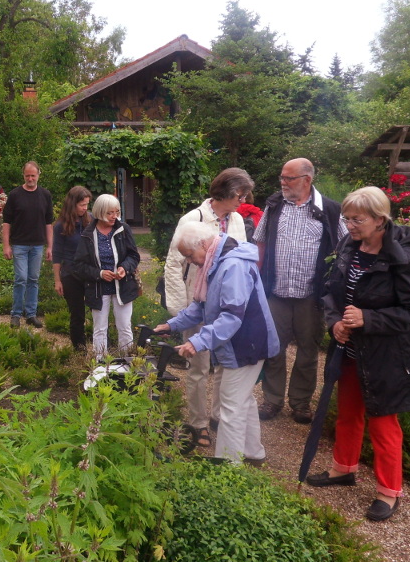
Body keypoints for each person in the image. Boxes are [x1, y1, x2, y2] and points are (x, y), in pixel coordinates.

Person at [306, 186, 410, 522]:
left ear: (380, 220)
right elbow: (332, 292)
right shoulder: (350, 246)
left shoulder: (403, 259)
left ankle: (389, 492)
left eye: (357, 219)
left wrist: (369, 318)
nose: (349, 224)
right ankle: (342, 469)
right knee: (348, 413)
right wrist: (335, 322)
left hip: (387, 356)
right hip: (349, 350)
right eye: (346, 218)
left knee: (383, 422)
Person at [155, 222, 279, 464]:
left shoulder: (232, 265)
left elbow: (232, 315)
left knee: (230, 405)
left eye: (189, 255)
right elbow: (202, 306)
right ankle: (253, 453)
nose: (189, 261)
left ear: (203, 244)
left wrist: (198, 341)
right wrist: (172, 324)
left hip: (248, 344)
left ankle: (227, 467)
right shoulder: (215, 261)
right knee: (242, 399)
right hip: (241, 342)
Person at [163, 168, 253, 448]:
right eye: (240, 194)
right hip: (197, 302)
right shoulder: (193, 219)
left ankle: (218, 415)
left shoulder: (237, 219)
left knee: (224, 361)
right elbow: (173, 263)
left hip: (227, 305)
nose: (244, 199)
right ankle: (198, 421)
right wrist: (179, 310)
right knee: (198, 365)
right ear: (225, 193)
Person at [254, 158, 346, 424]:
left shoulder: (329, 210)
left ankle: (300, 403)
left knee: (308, 350)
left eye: (288, 178)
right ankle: (272, 400)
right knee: (274, 348)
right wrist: (257, 282)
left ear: (307, 179)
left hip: (311, 295)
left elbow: (343, 248)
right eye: (281, 177)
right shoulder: (273, 206)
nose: (283, 183)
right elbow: (259, 244)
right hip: (276, 291)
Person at [73, 194, 140, 362]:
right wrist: (100, 273)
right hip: (98, 288)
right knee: (100, 329)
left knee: (124, 327)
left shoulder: (123, 229)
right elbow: (79, 265)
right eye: (110, 213)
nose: (114, 216)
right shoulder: (88, 234)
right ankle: (100, 366)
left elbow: (134, 255)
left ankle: (128, 363)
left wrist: (125, 267)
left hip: (122, 286)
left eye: (117, 212)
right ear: (100, 212)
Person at [2, 161, 54, 329]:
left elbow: (48, 223)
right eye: (27, 175)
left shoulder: (45, 195)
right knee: (21, 279)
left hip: (38, 245)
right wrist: (6, 245)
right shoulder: (15, 195)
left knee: (33, 279)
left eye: (33, 175)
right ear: (23, 175)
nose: (30, 178)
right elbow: (6, 222)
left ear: (39, 175)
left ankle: (31, 314)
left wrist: (50, 246)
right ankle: (16, 314)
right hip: (19, 244)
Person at [52, 186, 93, 352]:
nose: (85, 208)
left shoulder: (90, 221)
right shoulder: (61, 226)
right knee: (77, 315)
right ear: (72, 204)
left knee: (98, 311)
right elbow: (56, 254)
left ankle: (101, 347)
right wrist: (57, 280)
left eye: (87, 205)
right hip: (70, 274)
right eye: (82, 205)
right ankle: (80, 350)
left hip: (89, 273)